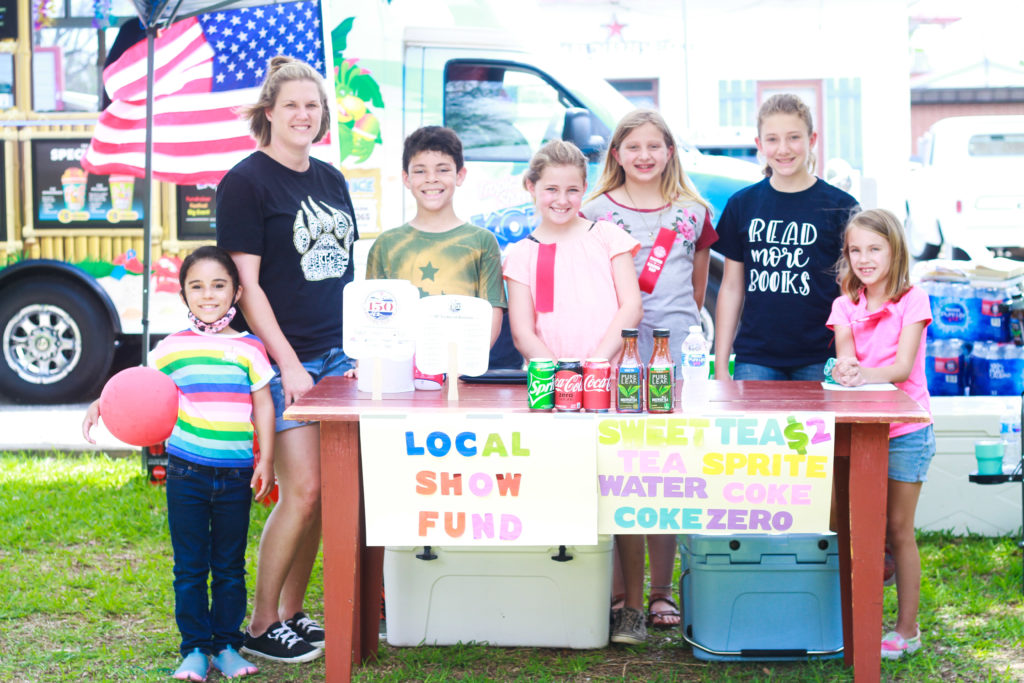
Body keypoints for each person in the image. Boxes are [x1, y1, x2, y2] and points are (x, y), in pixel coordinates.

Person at [216, 56, 358, 663]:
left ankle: (293, 614)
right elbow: (247, 287)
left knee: (327, 494)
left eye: (314, 105)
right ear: (269, 112)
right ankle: (259, 622)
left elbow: (345, 272)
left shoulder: (330, 178)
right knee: (301, 492)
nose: (305, 115)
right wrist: (289, 364)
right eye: (293, 105)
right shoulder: (245, 182)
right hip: (286, 359)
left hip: (339, 353)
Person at [83, 246, 276, 681]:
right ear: (184, 294)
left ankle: (226, 645)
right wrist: (101, 403)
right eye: (197, 286)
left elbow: (263, 405)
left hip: (236, 474)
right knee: (190, 566)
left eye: (219, 285)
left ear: (237, 291)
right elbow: (138, 387)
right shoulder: (172, 348)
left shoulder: (250, 348)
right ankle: (193, 649)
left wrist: (268, 460)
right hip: (186, 473)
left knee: (229, 565)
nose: (208, 295)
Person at [581, 109, 716, 638]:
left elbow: (698, 287)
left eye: (654, 146)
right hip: (618, 355)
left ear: (670, 152)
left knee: (668, 472)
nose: (643, 156)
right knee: (619, 471)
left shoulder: (693, 211)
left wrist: (685, 345)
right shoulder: (594, 211)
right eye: (632, 146)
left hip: (674, 355)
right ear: (615, 154)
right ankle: (621, 593)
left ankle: (661, 590)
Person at [825, 208, 934, 659]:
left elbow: (902, 368)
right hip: (858, 432)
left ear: (895, 250)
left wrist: (857, 374)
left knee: (897, 529)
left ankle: (907, 630)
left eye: (875, 248)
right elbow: (845, 361)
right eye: (856, 250)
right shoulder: (843, 306)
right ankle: (841, 621)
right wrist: (848, 370)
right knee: (844, 526)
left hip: (906, 431)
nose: (864, 258)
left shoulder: (914, 300)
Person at [713, 93, 859, 381]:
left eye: (793, 137)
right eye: (772, 139)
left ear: (812, 139)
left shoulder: (842, 207)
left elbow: (851, 291)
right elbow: (731, 288)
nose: (783, 149)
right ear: (759, 144)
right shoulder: (742, 205)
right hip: (756, 359)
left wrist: (848, 358)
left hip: (821, 358)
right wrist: (720, 366)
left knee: (819, 429)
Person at [502, 140, 642, 364]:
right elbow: (522, 334)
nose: (562, 200)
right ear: (531, 186)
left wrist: (596, 364)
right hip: (551, 384)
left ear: (584, 187)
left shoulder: (609, 237)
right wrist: (565, 373)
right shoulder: (522, 254)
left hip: (610, 377)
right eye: (551, 190)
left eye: (572, 190)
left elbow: (632, 307)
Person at [366, 126, 506, 345]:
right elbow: (371, 318)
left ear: (460, 175)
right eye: (420, 171)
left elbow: (492, 313)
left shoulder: (482, 242)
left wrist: (466, 365)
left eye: (442, 169)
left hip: (460, 370)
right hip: (401, 369)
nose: (431, 179)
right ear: (406, 178)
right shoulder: (386, 244)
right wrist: (366, 362)